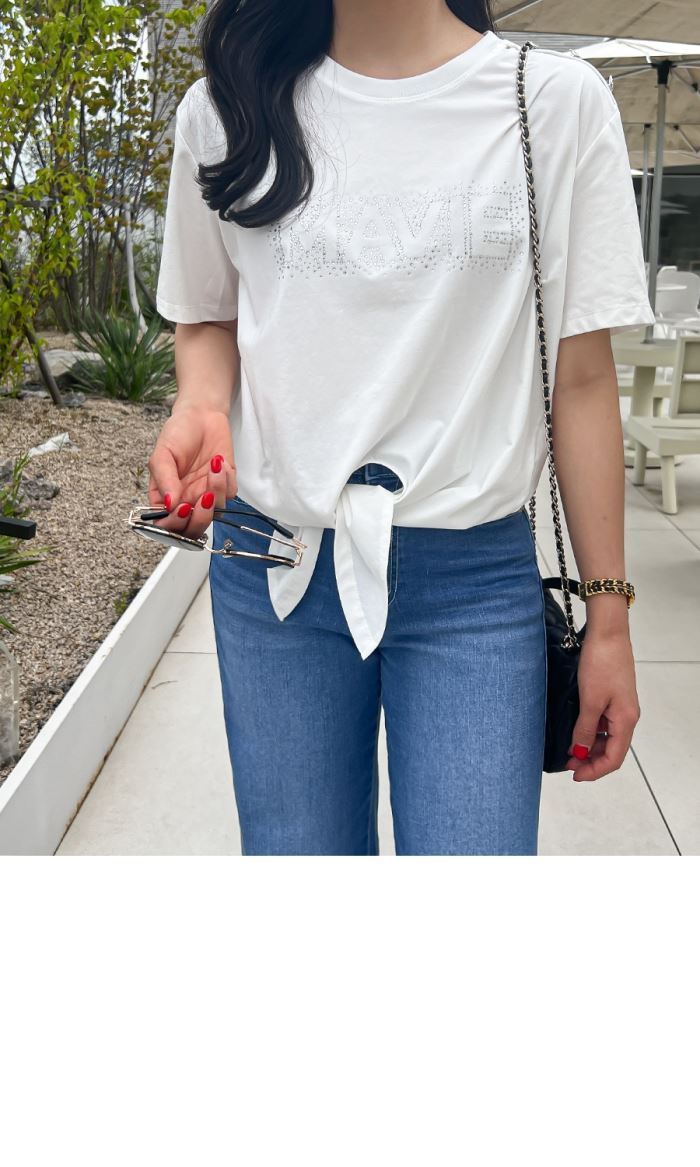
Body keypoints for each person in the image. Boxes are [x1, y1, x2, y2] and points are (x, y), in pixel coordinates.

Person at [148, 0, 654, 856]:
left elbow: (581, 379)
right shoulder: (228, 105)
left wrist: (608, 618)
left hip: (474, 583)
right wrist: (200, 405)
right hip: (274, 565)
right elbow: (207, 314)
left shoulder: (553, 104)